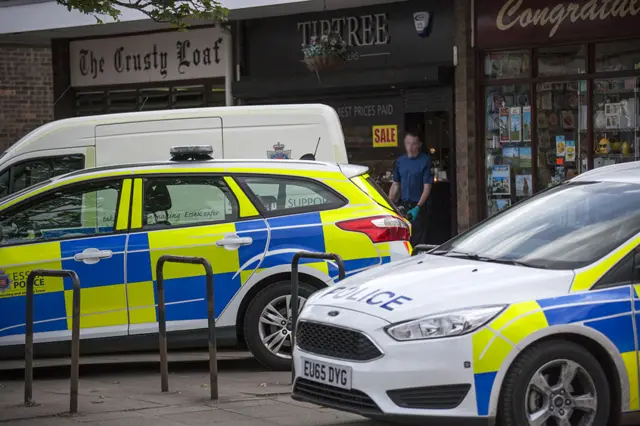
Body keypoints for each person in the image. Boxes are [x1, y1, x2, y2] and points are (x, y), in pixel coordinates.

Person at [389, 131, 434, 246]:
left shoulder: (425, 161)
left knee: (418, 239)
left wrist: (418, 207)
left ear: (419, 144)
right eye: (408, 143)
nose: (410, 147)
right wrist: (389, 203)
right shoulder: (400, 162)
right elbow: (396, 184)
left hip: (419, 206)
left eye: (414, 144)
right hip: (404, 205)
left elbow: (427, 187)